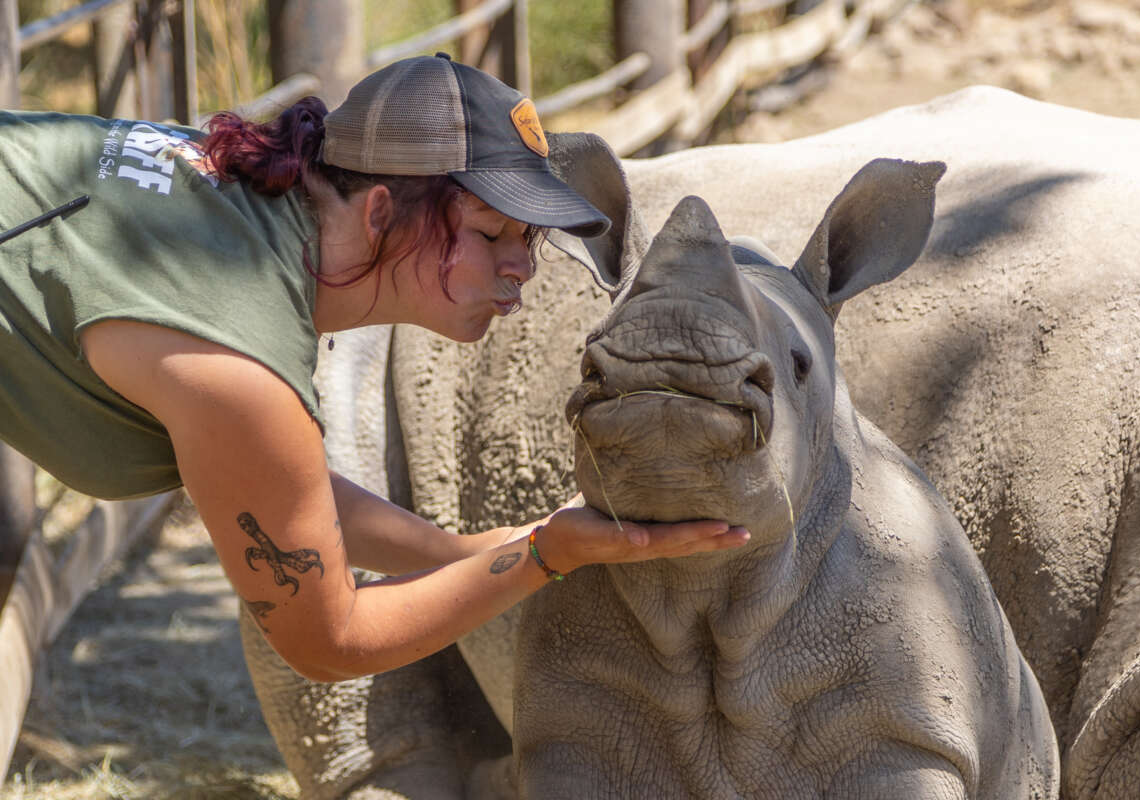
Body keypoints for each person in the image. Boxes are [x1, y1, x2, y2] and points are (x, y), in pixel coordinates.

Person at [0, 54, 749, 682]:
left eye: (530, 240)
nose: (523, 267)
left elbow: (289, 492)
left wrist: (466, 555)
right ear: (380, 212)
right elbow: (331, 639)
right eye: (493, 234)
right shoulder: (241, 352)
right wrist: (544, 557)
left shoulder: (245, 220)